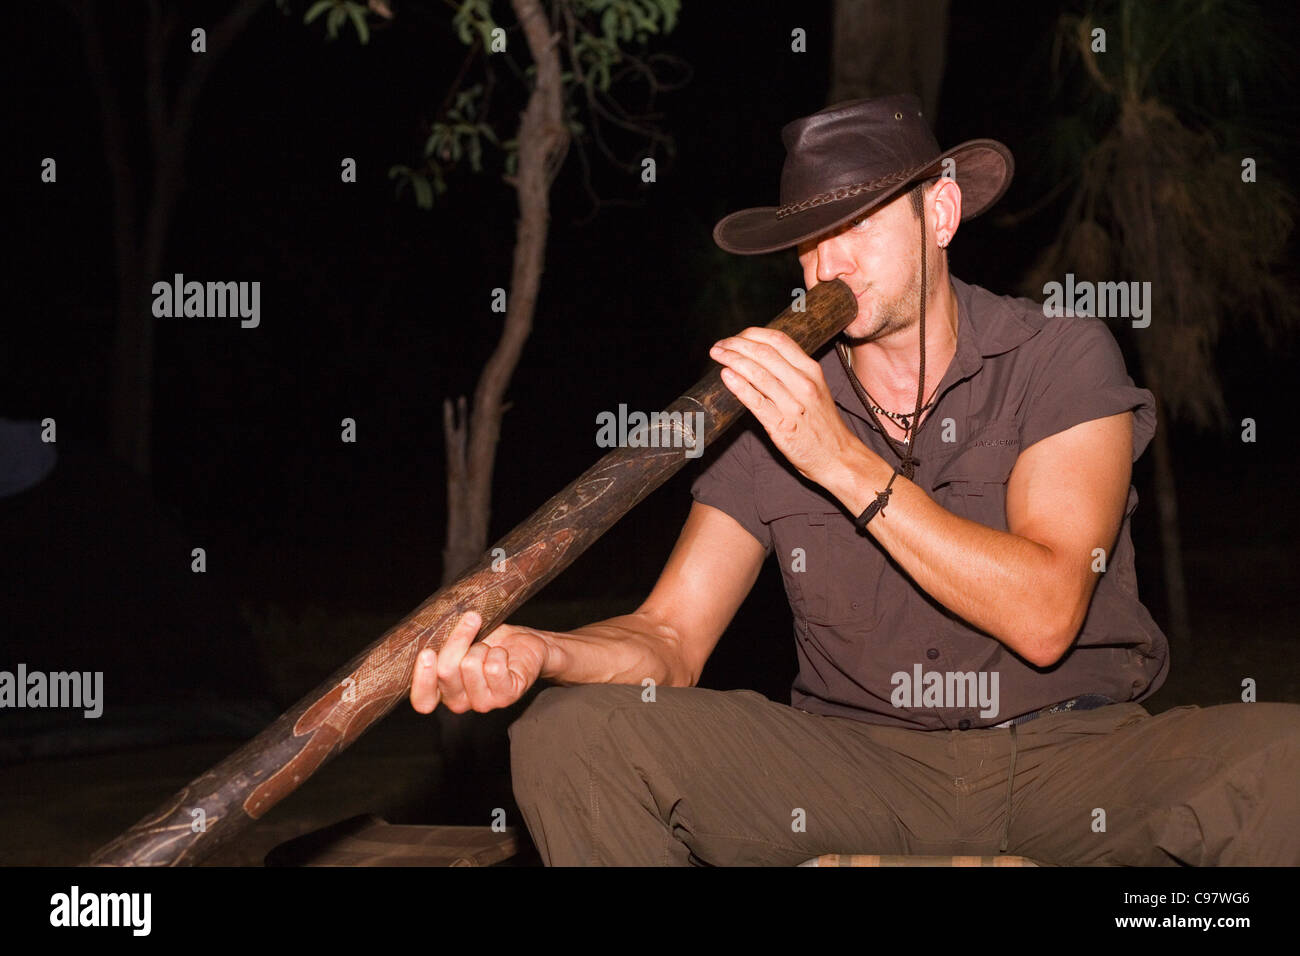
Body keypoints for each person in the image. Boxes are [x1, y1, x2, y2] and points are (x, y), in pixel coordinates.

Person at [409, 94, 1300, 866]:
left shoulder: (1058, 354)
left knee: (1285, 758)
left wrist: (837, 458)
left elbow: (1045, 611)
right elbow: (669, 639)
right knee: (571, 736)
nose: (824, 265)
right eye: (807, 242)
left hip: (1074, 754)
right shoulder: (776, 409)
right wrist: (544, 653)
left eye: (857, 224)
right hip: (855, 765)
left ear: (940, 215)